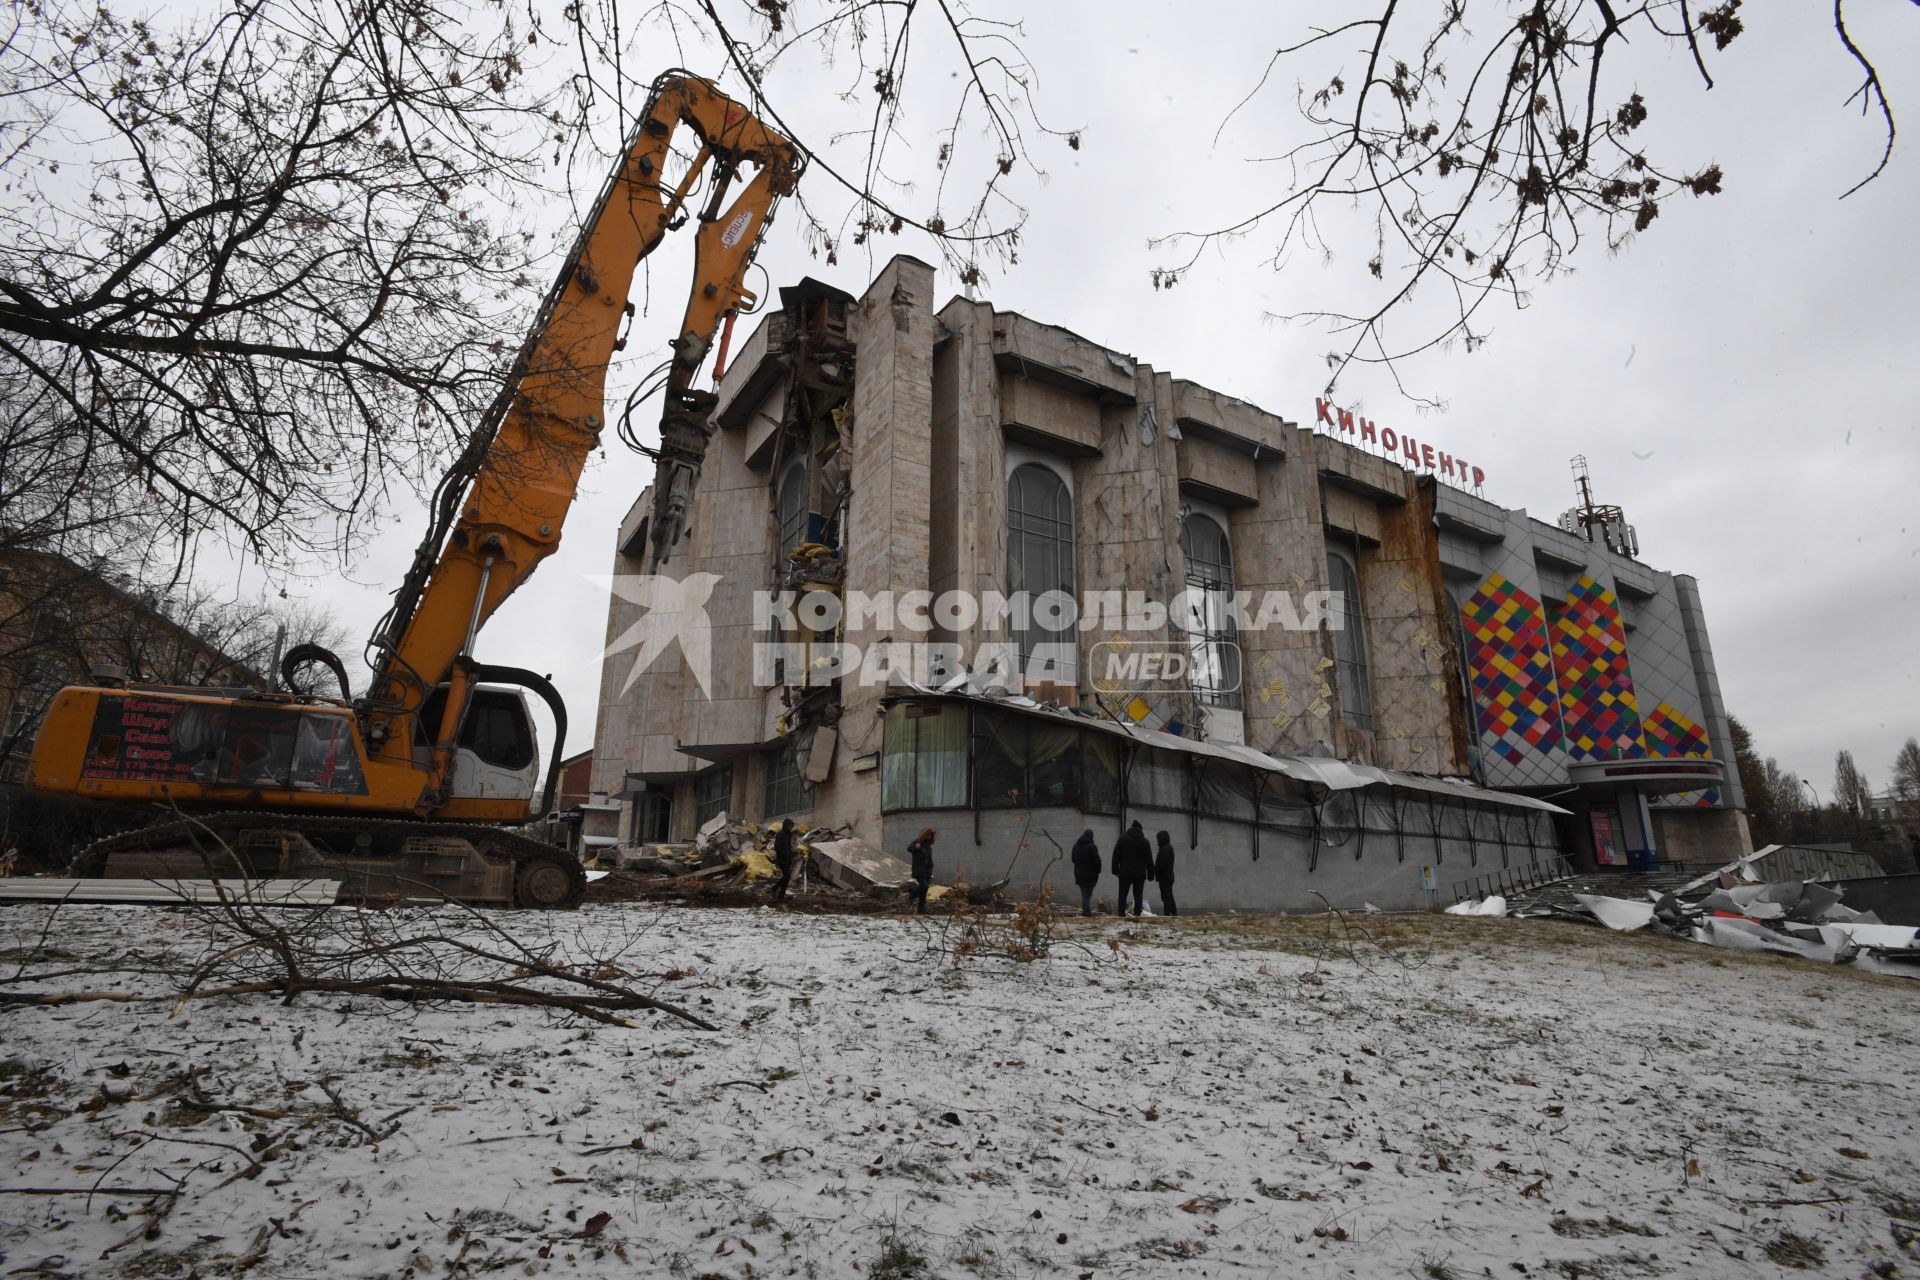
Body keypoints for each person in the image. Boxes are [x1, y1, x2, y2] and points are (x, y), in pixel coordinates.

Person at [1111, 820, 1152, 918]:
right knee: (1138, 895)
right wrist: (1151, 874)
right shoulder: (1145, 842)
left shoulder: (1122, 839)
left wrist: (1115, 870)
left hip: (1124, 872)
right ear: (1140, 829)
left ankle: (1121, 914)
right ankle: (1137, 914)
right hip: (1139, 874)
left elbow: (1115, 855)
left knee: (1122, 894)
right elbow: (1149, 859)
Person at [1070, 828, 1102, 917]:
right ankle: (1087, 913)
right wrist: (1098, 870)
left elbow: (1073, 859)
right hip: (1090, 875)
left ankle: (1086, 911)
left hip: (1079, 874)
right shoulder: (1092, 846)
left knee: (1084, 894)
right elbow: (1096, 861)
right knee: (1087, 895)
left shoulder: (1076, 846)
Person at [906, 826, 936, 914]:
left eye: (930, 835)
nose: (928, 836)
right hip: (919, 870)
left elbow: (929, 860)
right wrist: (915, 847)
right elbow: (909, 848)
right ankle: (911, 896)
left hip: (927, 872)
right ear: (924, 834)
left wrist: (931, 868)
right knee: (924, 886)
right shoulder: (917, 842)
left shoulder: (928, 847)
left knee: (924, 891)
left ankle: (921, 909)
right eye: (927, 834)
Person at [770, 817, 797, 904]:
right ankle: (781, 895)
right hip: (782, 859)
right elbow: (777, 847)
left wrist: (792, 854)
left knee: (786, 876)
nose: (790, 827)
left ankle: (775, 888)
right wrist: (785, 854)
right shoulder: (780, 834)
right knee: (787, 876)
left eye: (791, 826)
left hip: (788, 859)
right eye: (789, 826)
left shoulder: (789, 834)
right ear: (785, 825)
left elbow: (788, 847)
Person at [1153, 829, 1178, 917]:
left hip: (1165, 876)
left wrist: (1156, 870)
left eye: (1158, 838)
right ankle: (1173, 912)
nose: (1157, 840)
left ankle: (1168, 913)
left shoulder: (1165, 848)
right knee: (1168, 895)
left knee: (1166, 896)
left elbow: (1163, 863)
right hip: (1167, 876)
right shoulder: (1166, 847)